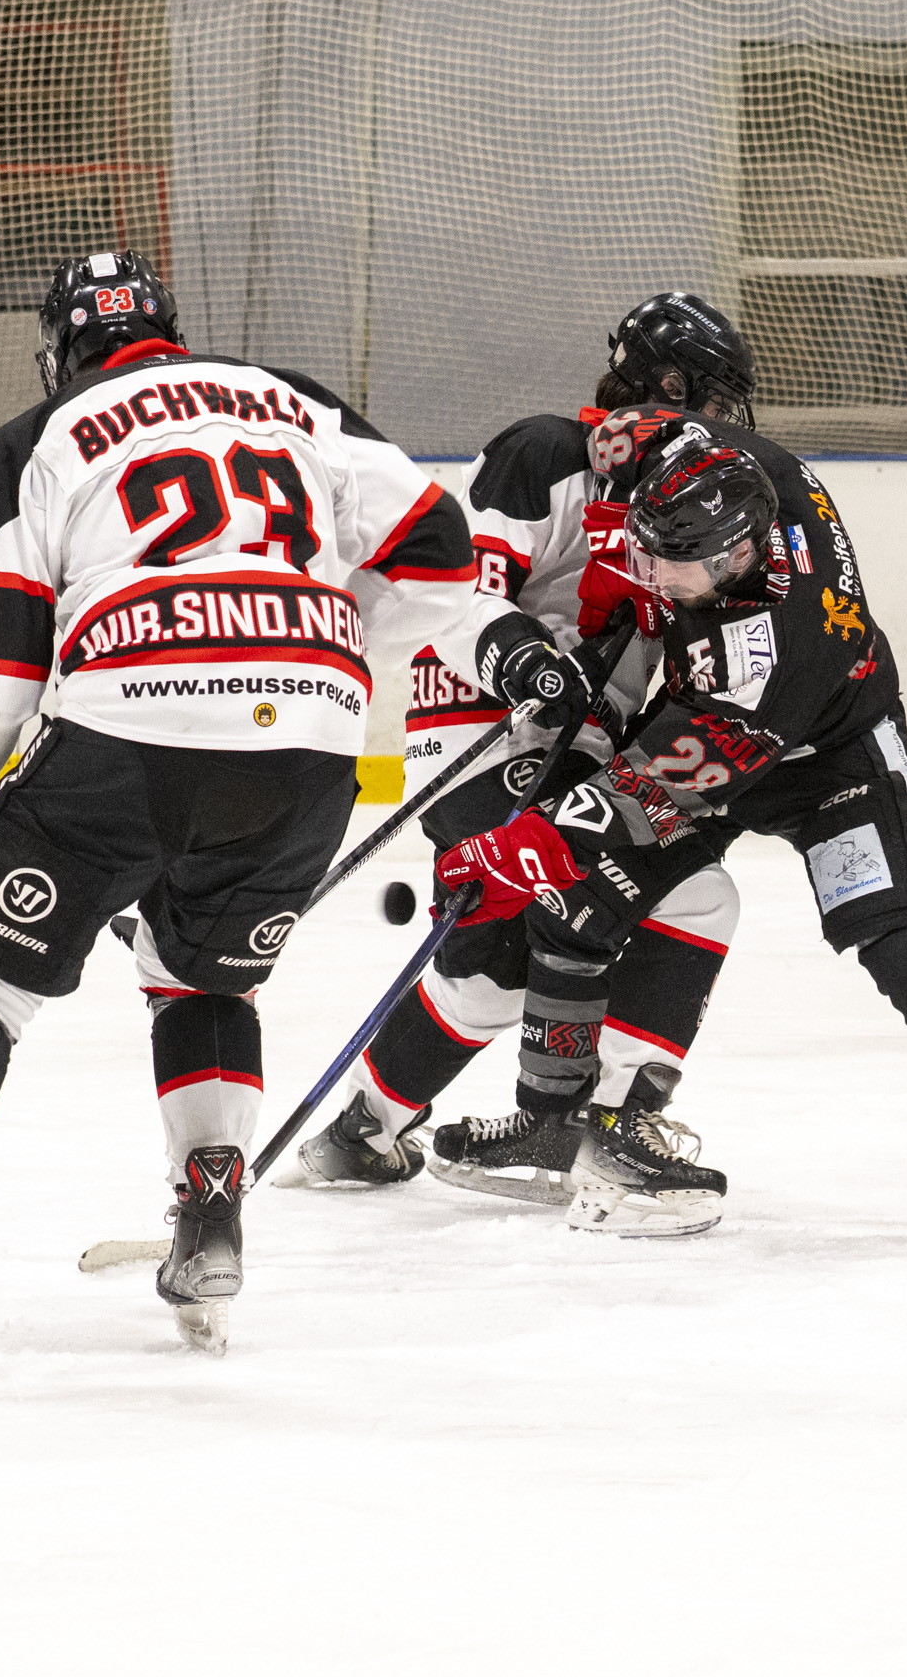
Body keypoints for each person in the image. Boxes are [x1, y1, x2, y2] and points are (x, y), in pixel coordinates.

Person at [0, 249, 478, 1379]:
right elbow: (443, 546)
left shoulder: (44, 433)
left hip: (126, 727)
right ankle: (211, 1221)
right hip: (307, 744)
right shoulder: (298, 403)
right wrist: (315, 641)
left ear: (63, 347)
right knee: (207, 979)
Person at [433, 415, 907, 1238]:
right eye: (645, 551)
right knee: (575, 900)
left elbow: (655, 787)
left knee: (906, 943)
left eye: (670, 563)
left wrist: (529, 844)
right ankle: (554, 1126)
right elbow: (650, 429)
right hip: (707, 719)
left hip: (832, 757)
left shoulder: (769, 651)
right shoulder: (729, 470)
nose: (650, 575)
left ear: (737, 555)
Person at [282, 293, 752, 1202]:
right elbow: (451, 595)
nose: (724, 421)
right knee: (690, 892)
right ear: (668, 382)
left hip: (576, 748)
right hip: (483, 735)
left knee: (496, 973)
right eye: (714, 397)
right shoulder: (542, 453)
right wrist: (523, 657)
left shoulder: (693, 502)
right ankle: (613, 1127)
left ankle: (360, 1132)